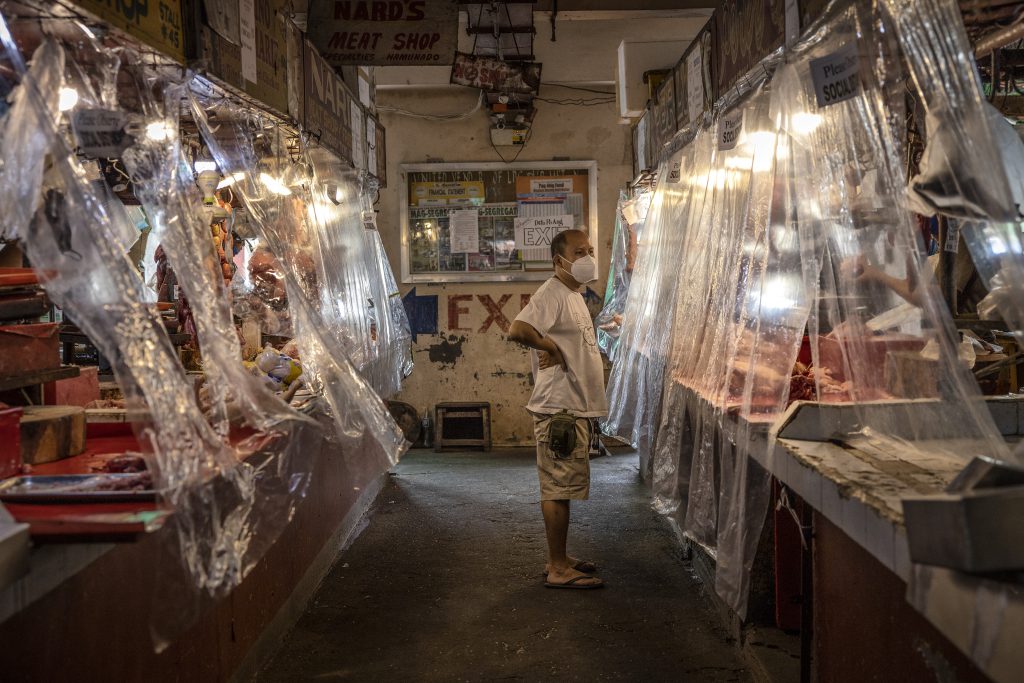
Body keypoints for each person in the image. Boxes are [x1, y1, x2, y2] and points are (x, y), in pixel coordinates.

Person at [508, 229, 608, 589]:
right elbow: (518, 329)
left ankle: (560, 557)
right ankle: (558, 569)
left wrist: (554, 345)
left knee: (564, 486)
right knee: (557, 489)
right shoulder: (552, 291)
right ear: (558, 260)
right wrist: (548, 346)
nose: (588, 258)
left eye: (590, 251)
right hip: (559, 410)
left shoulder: (573, 294)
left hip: (571, 406)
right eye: (579, 252)